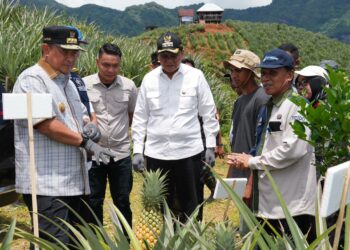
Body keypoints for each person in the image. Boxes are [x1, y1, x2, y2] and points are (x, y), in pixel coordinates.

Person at [12, 26, 114, 247]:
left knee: (74, 243)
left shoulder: (68, 82)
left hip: (73, 182)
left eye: (75, 52)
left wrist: (90, 128)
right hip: (47, 184)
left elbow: (80, 118)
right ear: (46, 49)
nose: (71, 58)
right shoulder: (32, 79)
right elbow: (46, 125)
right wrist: (84, 142)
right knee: (52, 244)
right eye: (65, 52)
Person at [227, 49, 317, 243]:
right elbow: (263, 145)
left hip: (291, 206)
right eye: (264, 73)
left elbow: (292, 149)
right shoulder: (270, 105)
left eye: (273, 73)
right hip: (269, 205)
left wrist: (252, 161)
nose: (266, 78)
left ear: (289, 75)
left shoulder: (297, 105)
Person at [131, 31, 219, 222]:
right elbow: (140, 117)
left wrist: (210, 146)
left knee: (192, 205)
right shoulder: (149, 79)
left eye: (173, 55)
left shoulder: (196, 76)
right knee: (159, 207)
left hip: (189, 153)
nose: (169, 60)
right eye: (164, 56)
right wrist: (138, 150)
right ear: (158, 56)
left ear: (182, 53)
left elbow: (208, 113)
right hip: (157, 154)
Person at [83, 43, 138, 230]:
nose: (110, 69)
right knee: (93, 202)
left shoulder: (129, 86)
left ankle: (124, 242)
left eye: (115, 65)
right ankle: (96, 242)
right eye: (106, 64)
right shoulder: (84, 85)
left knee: (122, 201)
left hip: (120, 154)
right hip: (93, 154)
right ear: (97, 62)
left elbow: (132, 115)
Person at [181, 57, 223, 201]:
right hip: (188, 141)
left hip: (203, 138)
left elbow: (213, 117)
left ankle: (214, 189)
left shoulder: (200, 87)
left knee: (203, 168)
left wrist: (218, 144)